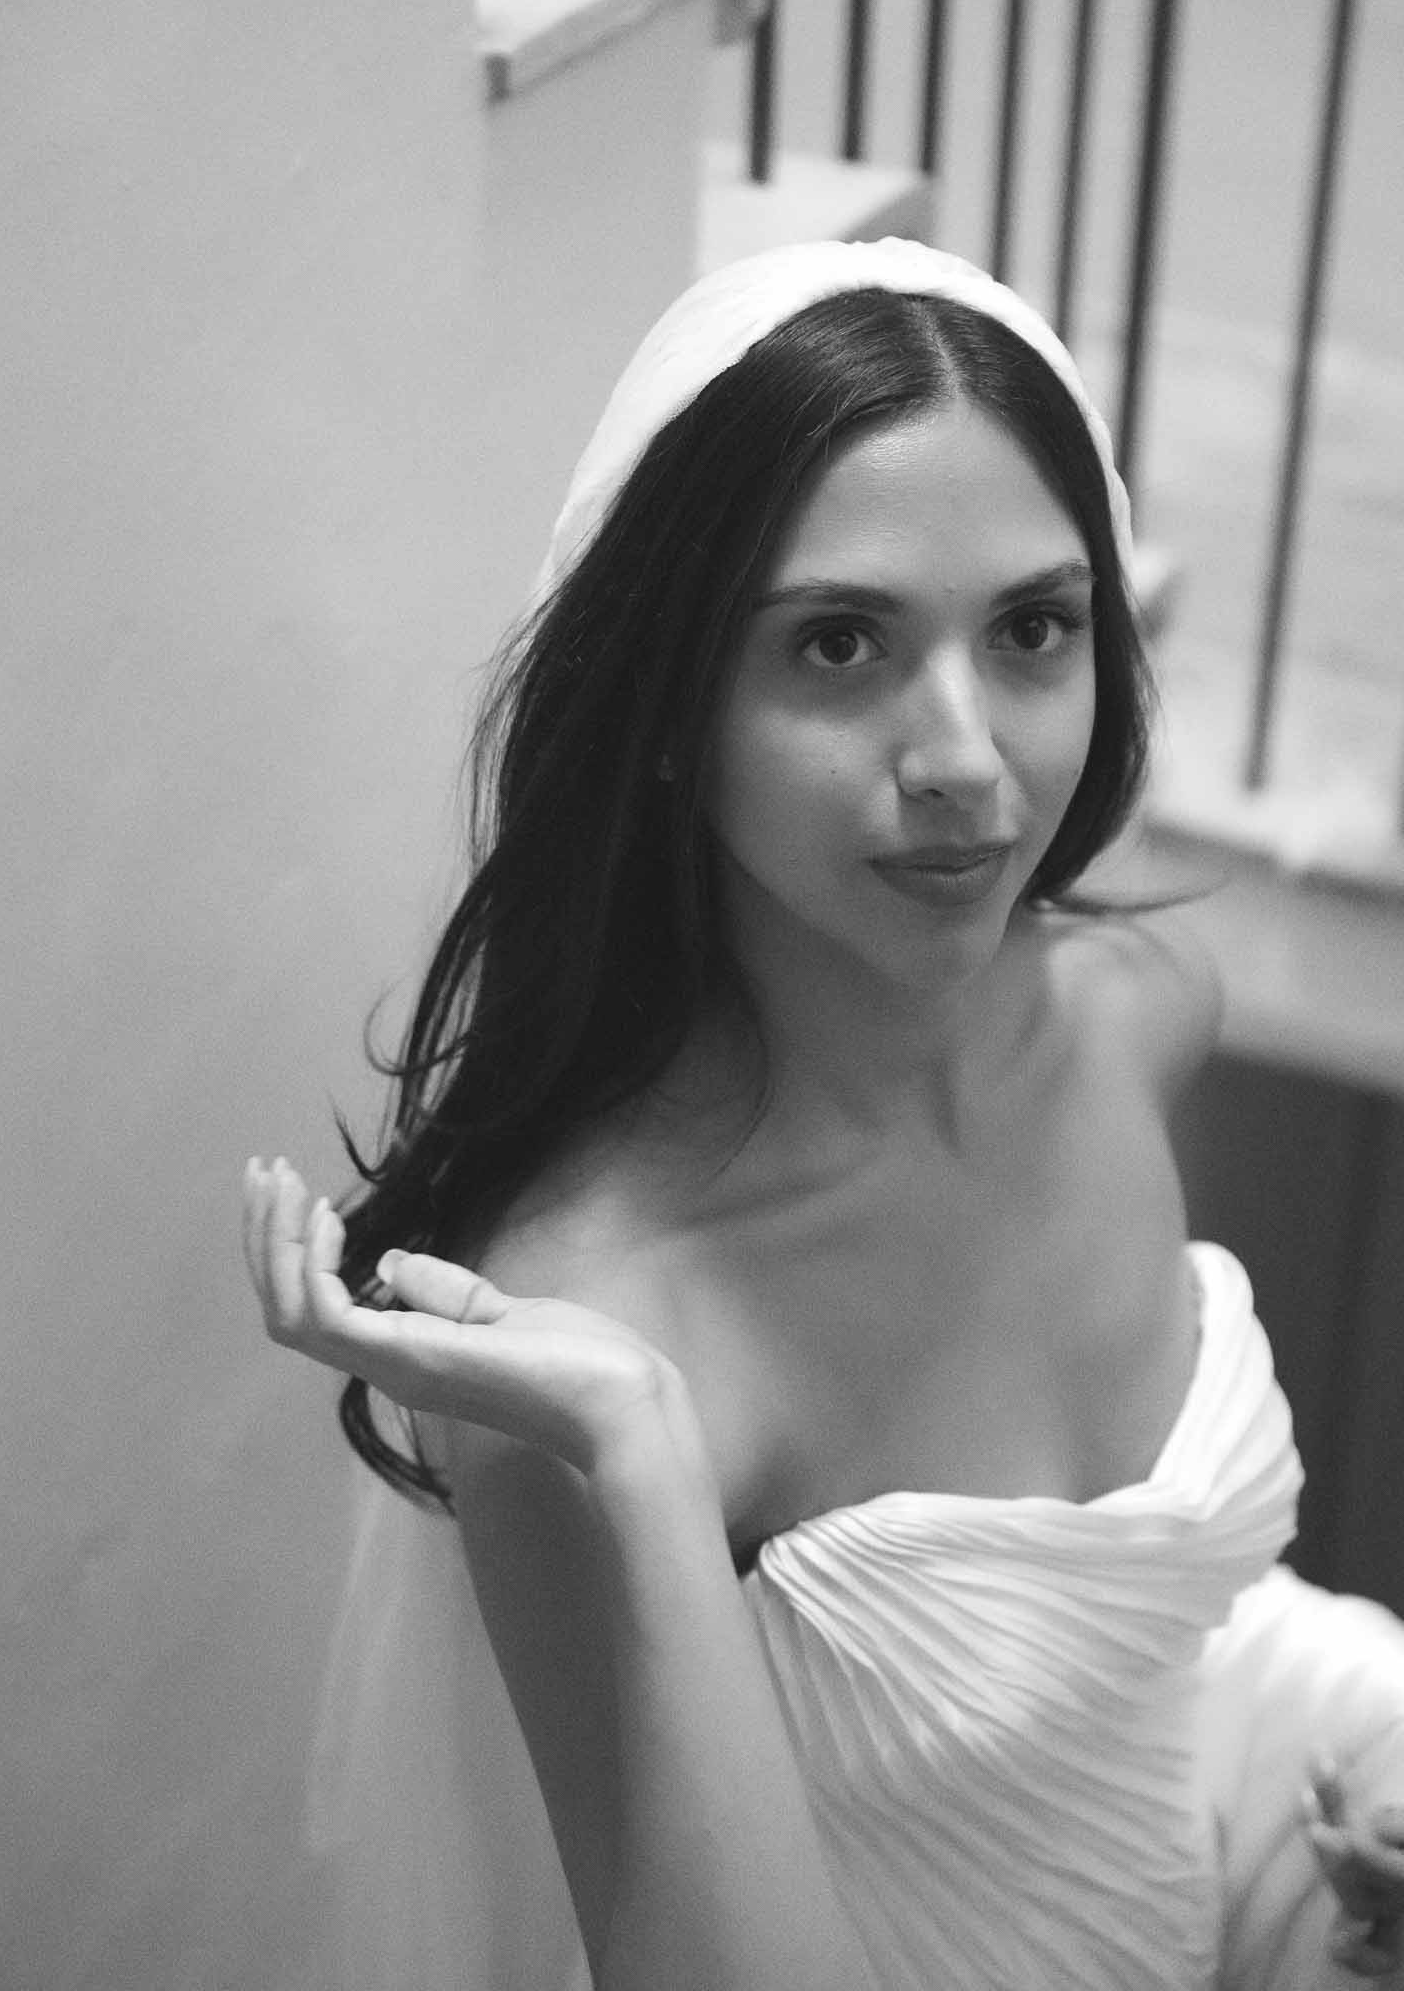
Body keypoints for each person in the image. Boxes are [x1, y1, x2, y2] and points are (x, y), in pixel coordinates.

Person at [242, 239, 1404, 1991]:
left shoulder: (1141, 1016)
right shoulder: (604, 1336)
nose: (965, 757)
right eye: (840, 646)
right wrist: (635, 1449)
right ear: (662, 715)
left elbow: (1153, 1644)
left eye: (1033, 628)